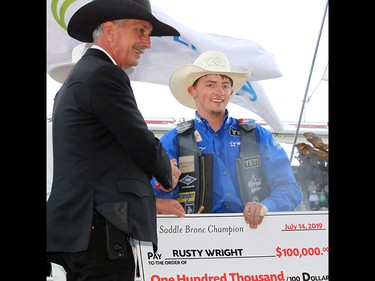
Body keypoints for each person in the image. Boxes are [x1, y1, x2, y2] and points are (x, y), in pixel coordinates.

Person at [46, 0, 185, 280]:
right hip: (99, 227)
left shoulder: (84, 75)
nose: (147, 43)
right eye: (141, 31)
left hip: (84, 228)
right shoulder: (104, 74)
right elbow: (138, 137)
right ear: (110, 31)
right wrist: (165, 168)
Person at [151, 50, 302, 229]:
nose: (219, 92)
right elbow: (153, 197)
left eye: (224, 85)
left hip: (255, 232)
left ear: (231, 91)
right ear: (193, 91)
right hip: (195, 237)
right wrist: (164, 186)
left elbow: (290, 189)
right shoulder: (173, 140)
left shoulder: (257, 135)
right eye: (210, 84)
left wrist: (266, 206)